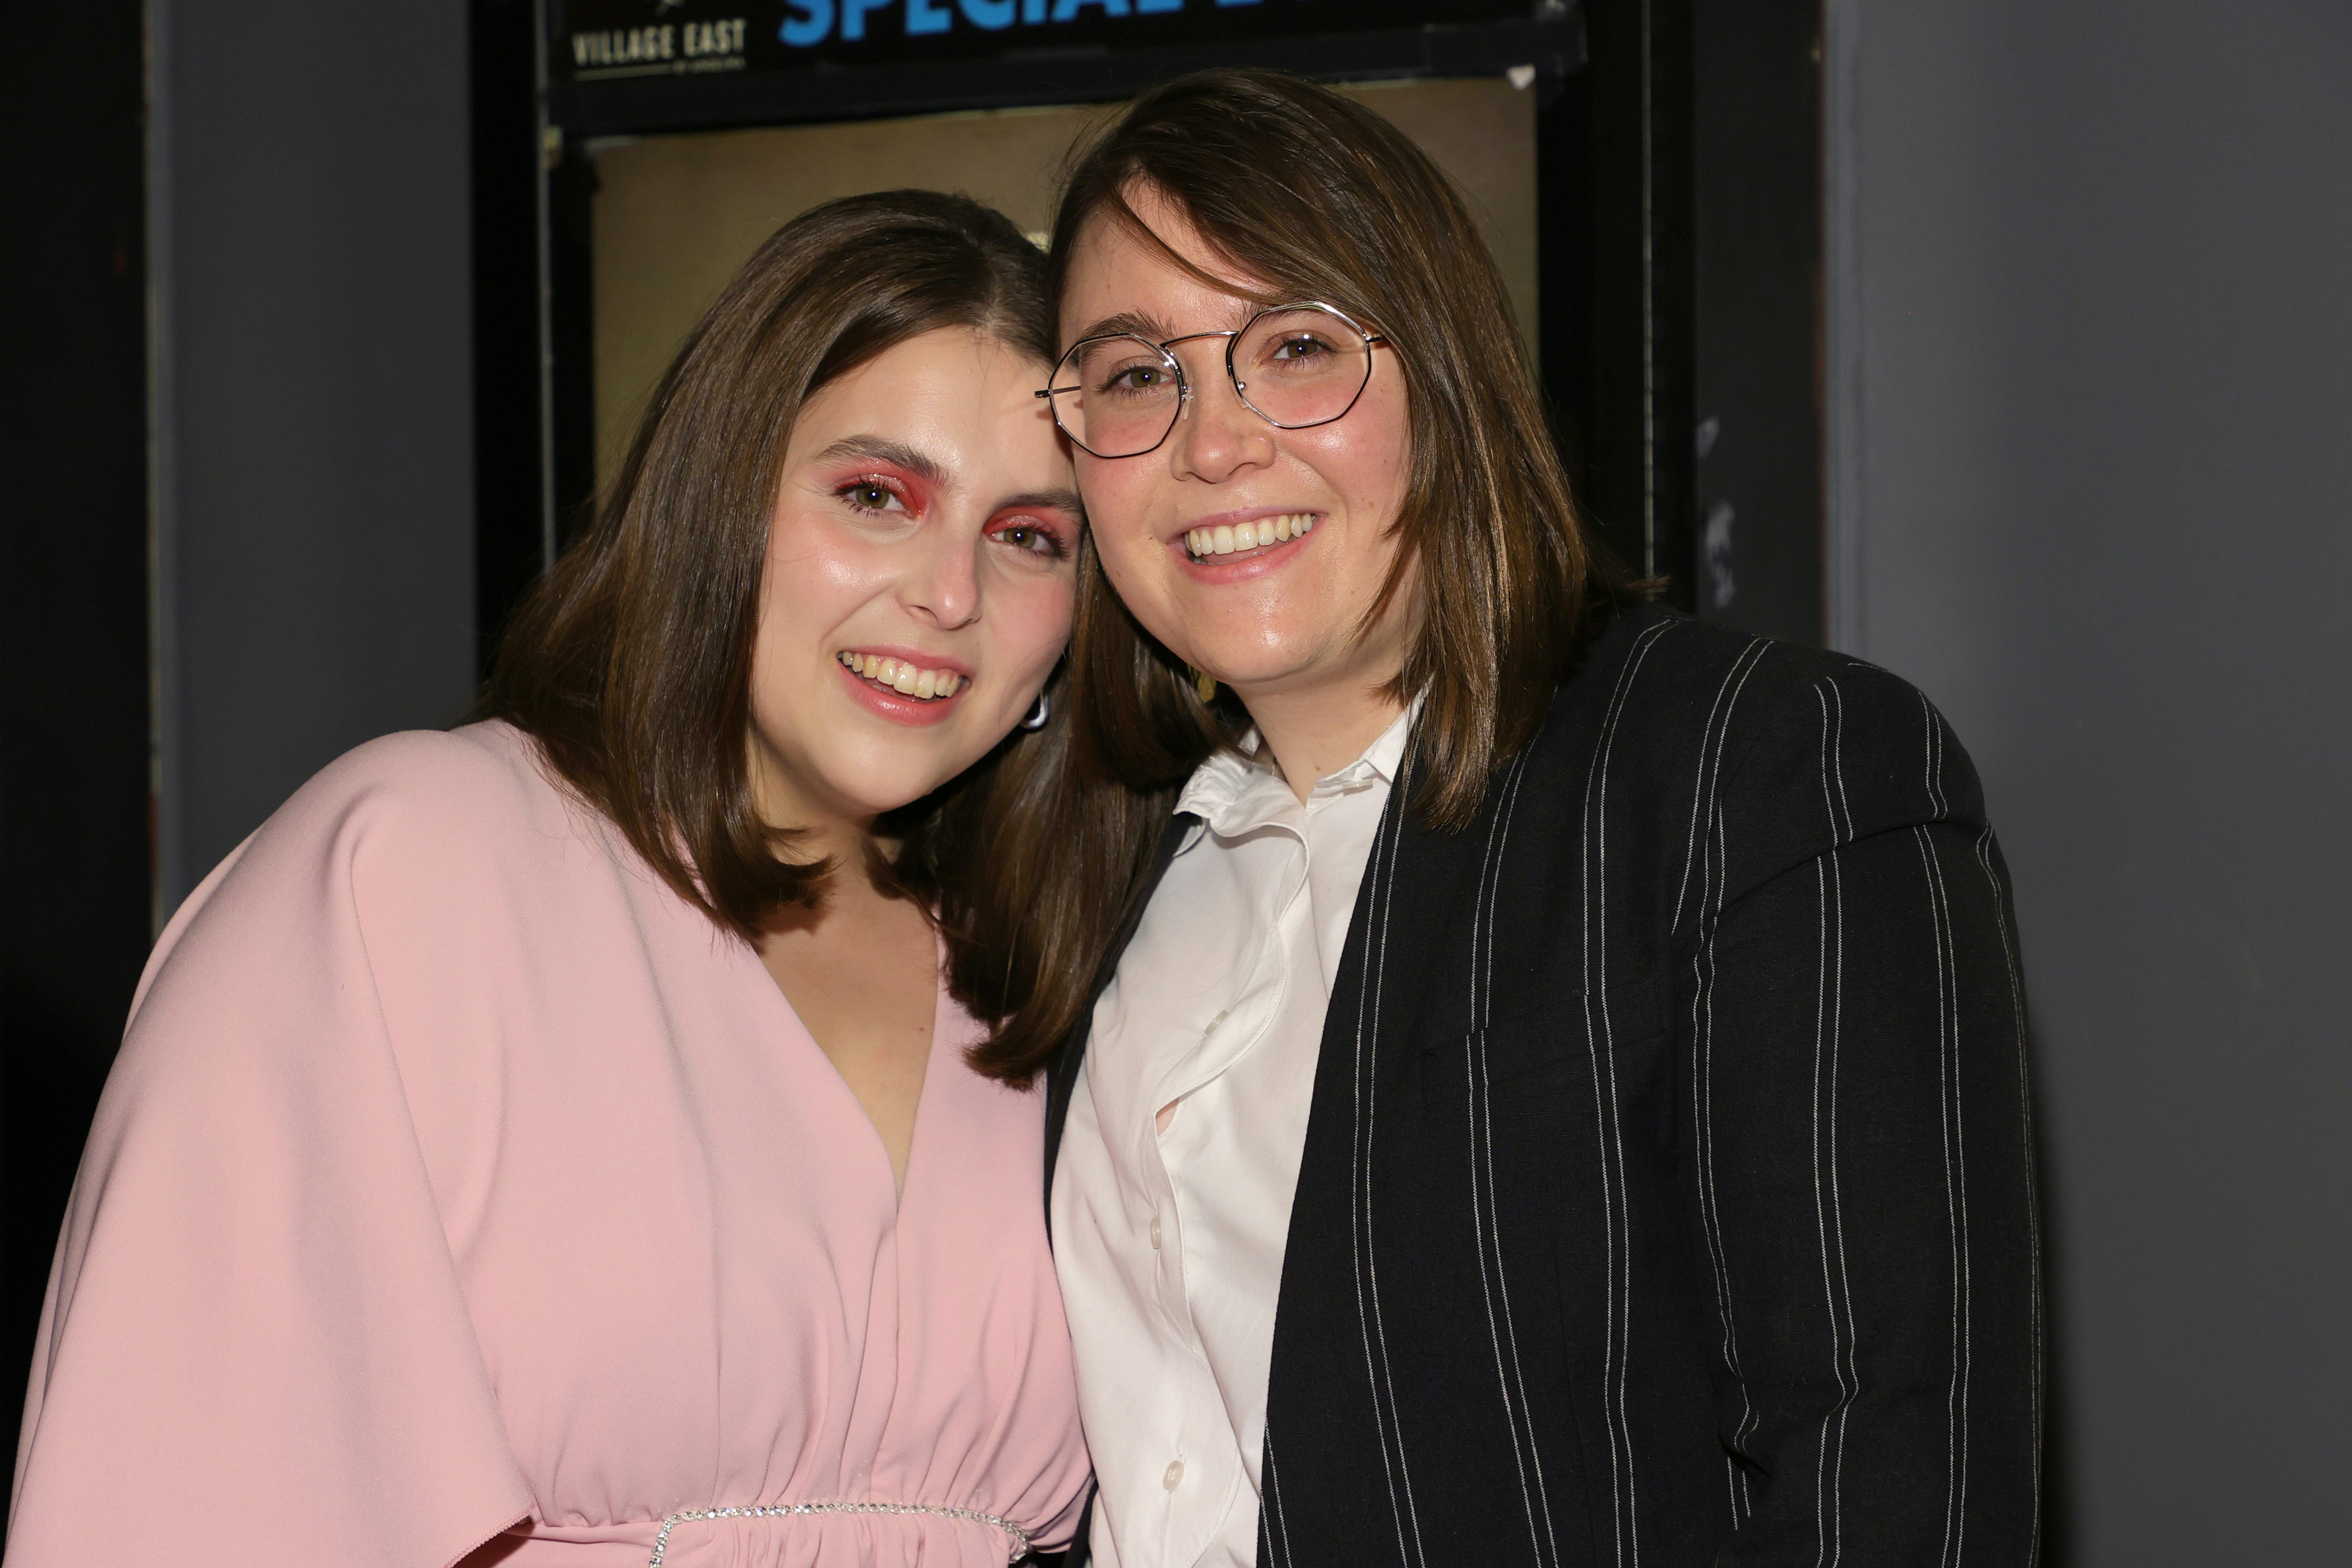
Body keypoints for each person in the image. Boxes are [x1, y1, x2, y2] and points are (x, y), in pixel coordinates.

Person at [1033, 71, 2042, 1568]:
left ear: (1446, 373)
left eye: (1297, 346)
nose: (1213, 443)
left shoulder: (1757, 771)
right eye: (1133, 375)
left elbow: (1890, 1480)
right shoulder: (1101, 866)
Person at [9, 192, 1100, 1568]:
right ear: (719, 495)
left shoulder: (1052, 966)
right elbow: (176, 1510)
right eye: (877, 497)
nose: (951, 594)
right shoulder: (408, 873)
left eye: (1029, 536)